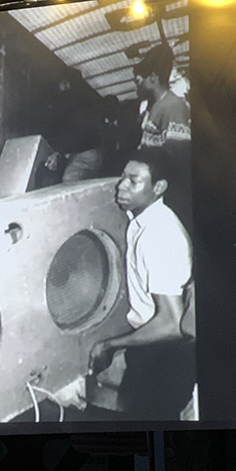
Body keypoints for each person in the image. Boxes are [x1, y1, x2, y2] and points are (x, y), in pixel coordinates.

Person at [88, 147, 196, 420]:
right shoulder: (141, 220)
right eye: (122, 177)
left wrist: (109, 345)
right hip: (154, 347)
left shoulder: (158, 234)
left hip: (165, 354)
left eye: (133, 181)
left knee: (148, 420)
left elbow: (172, 324)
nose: (121, 186)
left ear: (158, 187)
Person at [135, 41, 190, 149]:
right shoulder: (153, 108)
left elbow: (179, 152)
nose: (137, 87)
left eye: (139, 81)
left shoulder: (174, 106)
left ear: (152, 77)